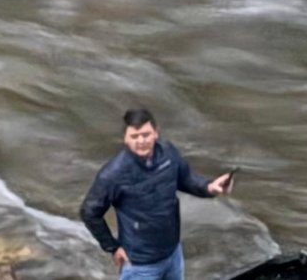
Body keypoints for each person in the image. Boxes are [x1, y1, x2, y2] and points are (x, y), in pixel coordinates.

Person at [80, 108, 233, 279]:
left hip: (173, 253)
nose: (141, 141)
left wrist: (209, 187)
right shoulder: (114, 174)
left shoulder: (168, 153)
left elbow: (185, 178)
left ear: (156, 133)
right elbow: (89, 212)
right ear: (125, 138)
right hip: (140, 264)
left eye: (146, 135)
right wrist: (112, 247)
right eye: (134, 136)